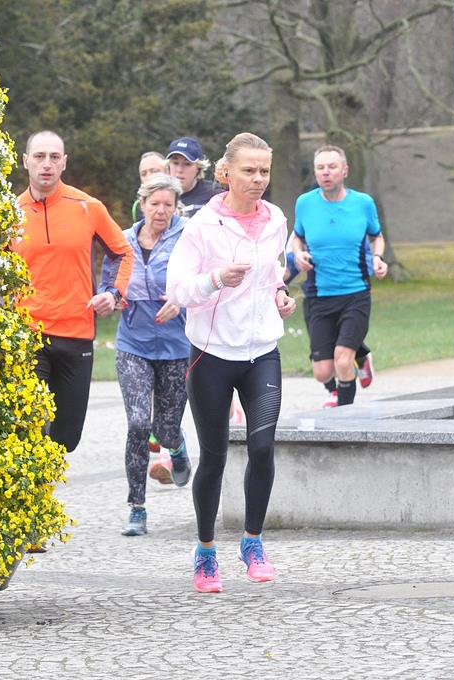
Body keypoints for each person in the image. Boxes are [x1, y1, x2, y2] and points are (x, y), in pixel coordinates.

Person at [167, 132, 297, 593]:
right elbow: (178, 290)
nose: (258, 179)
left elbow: (273, 273)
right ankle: (205, 552)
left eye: (264, 171)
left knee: (262, 447)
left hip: (261, 351)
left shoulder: (276, 219)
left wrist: (281, 295)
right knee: (215, 457)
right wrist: (216, 279)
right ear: (225, 173)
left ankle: (252, 542)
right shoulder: (203, 226)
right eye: (249, 170)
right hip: (211, 354)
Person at [11, 130, 133, 454]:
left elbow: (123, 253)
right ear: (25, 161)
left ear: (64, 163)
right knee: (28, 427)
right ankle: (34, 484)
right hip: (27, 335)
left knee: (67, 438)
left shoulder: (88, 207)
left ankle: (45, 472)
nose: (46, 164)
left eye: (54, 157)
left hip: (76, 332)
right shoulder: (8, 213)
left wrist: (113, 293)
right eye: (39, 156)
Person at [100, 173, 193, 536]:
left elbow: (202, 281)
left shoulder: (188, 238)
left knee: (165, 429)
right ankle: (137, 509)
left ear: (176, 207)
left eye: (168, 205)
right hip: (133, 345)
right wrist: (111, 297)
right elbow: (109, 282)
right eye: (155, 204)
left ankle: (177, 447)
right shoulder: (122, 240)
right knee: (139, 423)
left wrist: (181, 298)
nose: (161, 211)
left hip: (176, 345)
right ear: (142, 204)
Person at [291, 145, 388, 408]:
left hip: (355, 293)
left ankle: (345, 417)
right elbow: (297, 237)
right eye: (320, 168)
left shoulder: (363, 203)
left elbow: (376, 236)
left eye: (332, 167)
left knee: (342, 360)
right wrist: (298, 254)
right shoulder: (305, 203)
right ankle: (362, 355)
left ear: (344, 170)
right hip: (319, 295)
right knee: (323, 372)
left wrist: (377, 258)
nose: (326, 172)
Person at [285, 231, 375, 408]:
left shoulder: (351, 220)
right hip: (317, 297)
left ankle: (337, 392)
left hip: (351, 293)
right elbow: (291, 262)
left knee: (342, 355)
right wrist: (273, 284)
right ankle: (360, 356)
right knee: (322, 366)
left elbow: (366, 254)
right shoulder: (304, 222)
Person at [166, 136, 221, 218]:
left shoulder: (216, 195)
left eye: (187, 164)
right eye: (175, 163)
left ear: (198, 168)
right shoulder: (158, 194)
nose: (179, 170)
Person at [130, 151, 166, 223]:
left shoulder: (180, 197)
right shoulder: (138, 206)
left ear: (168, 172)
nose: (149, 177)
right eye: (144, 174)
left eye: (154, 171)